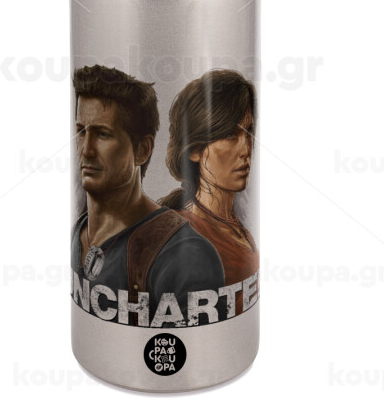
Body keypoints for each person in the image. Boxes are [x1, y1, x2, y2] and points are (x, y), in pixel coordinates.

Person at [71, 64, 225, 326]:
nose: (86, 150)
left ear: (142, 150)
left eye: (103, 134)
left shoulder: (185, 254)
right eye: (81, 132)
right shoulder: (78, 231)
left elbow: (201, 346)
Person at [159, 69, 259, 315]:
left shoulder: (238, 224)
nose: (246, 150)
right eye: (230, 135)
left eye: (249, 132)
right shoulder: (184, 239)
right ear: (194, 150)